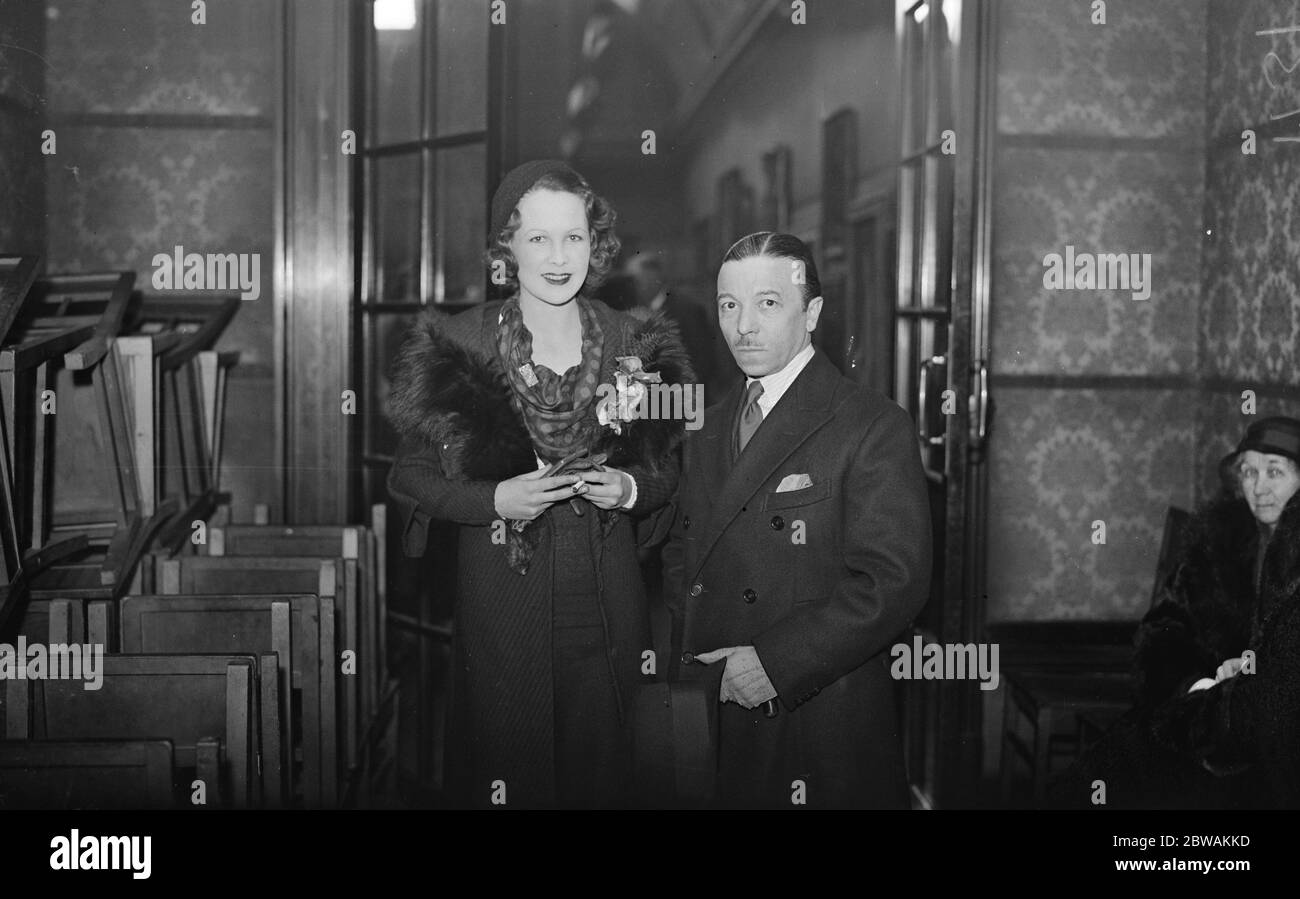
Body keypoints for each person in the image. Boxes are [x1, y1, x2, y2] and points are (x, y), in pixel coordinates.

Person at [385, 159, 692, 808]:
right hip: (502, 615)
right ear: (507, 248)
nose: (558, 257)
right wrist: (493, 498)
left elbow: (670, 473)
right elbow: (408, 477)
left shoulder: (632, 340)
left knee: (605, 780)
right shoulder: (460, 345)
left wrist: (630, 489)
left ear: (595, 244)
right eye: (538, 238)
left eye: (573, 238)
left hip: (608, 611)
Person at [661, 231, 932, 808]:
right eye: (730, 305)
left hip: (813, 711)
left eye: (768, 303)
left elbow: (893, 583)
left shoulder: (871, 425)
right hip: (714, 701)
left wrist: (775, 665)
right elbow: (682, 557)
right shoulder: (704, 427)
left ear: (811, 313)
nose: (744, 326)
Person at [1052, 416, 1300, 808]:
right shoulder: (1216, 542)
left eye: (1275, 472)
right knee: (1101, 774)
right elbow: (1164, 626)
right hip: (1195, 711)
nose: (1259, 487)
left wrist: (1247, 680)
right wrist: (1194, 686)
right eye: (1249, 472)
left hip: (1262, 746)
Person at [625, 250, 720, 391]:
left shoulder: (687, 310)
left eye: (636, 281)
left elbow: (704, 362)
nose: (633, 287)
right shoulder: (638, 312)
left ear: (652, 278)